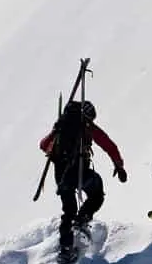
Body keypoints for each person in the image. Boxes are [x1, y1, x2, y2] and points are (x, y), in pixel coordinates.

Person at [38, 99, 127, 255]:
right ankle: (82, 220)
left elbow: (43, 145)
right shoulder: (86, 126)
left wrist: (55, 131)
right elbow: (108, 145)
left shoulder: (60, 128)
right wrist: (119, 166)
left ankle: (66, 248)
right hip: (80, 170)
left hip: (61, 174)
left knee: (68, 209)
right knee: (97, 193)